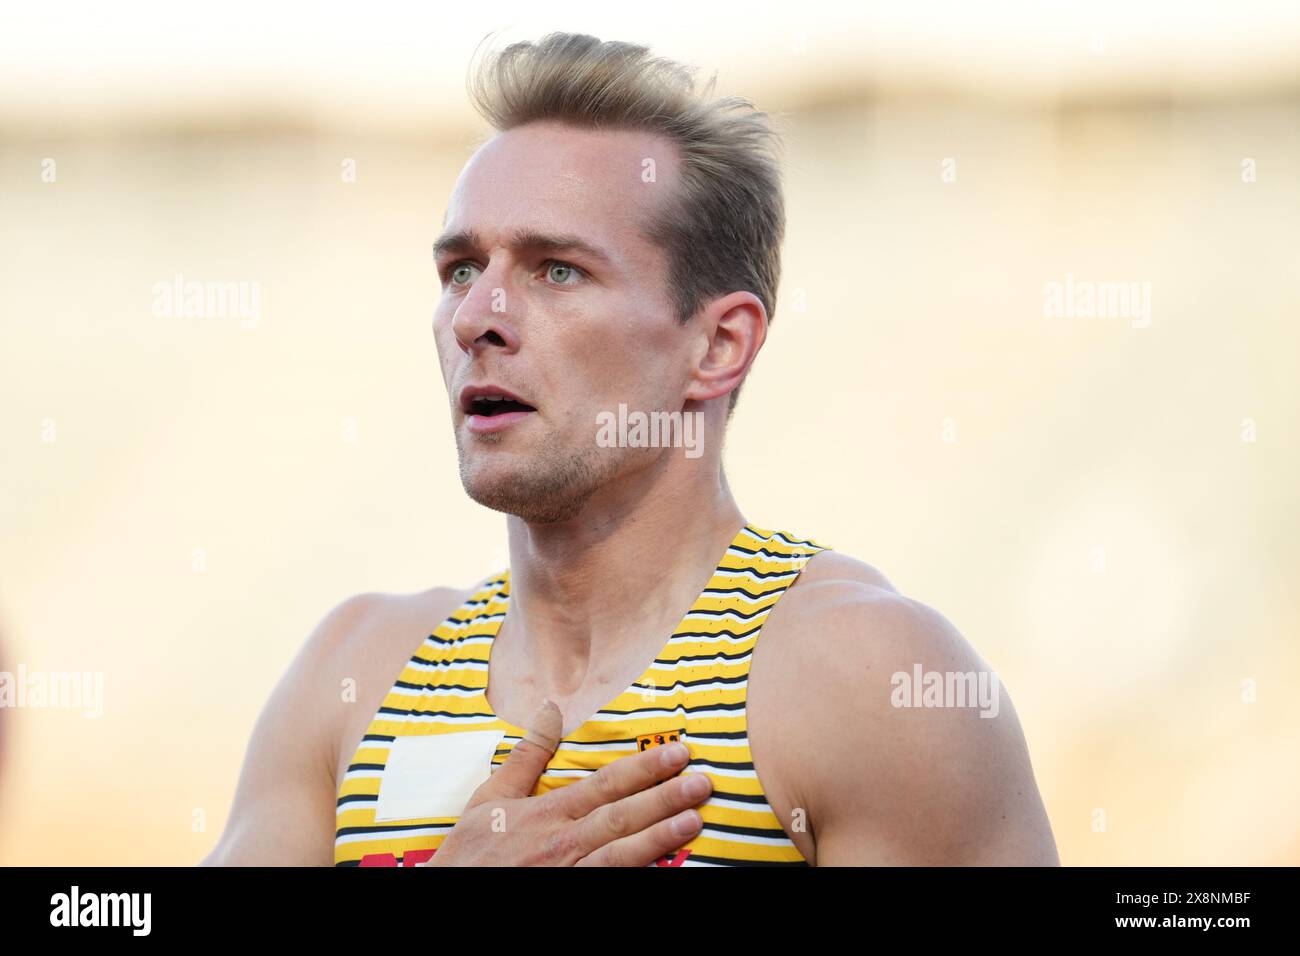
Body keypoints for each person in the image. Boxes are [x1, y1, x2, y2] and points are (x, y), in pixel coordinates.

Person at [202, 32, 1058, 867]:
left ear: (718, 345)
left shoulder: (866, 681)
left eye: (556, 270)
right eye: (462, 268)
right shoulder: (354, 671)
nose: (475, 318)